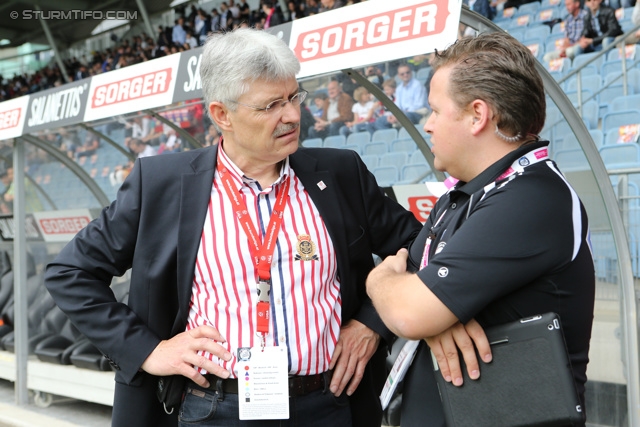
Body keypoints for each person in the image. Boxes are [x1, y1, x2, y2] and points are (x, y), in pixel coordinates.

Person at [45, 27, 421, 427]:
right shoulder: (160, 184)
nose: (293, 115)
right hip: (213, 408)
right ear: (222, 114)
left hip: (327, 404)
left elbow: (420, 246)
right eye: (271, 105)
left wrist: (372, 323)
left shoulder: (341, 173)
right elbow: (70, 272)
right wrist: (149, 350)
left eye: (294, 97)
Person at [366, 32, 595, 426]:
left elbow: (408, 309)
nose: (428, 124)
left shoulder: (533, 198)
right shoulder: (464, 194)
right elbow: (415, 302)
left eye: (436, 111)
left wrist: (379, 280)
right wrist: (428, 312)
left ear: (478, 115)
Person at [371, 64, 427, 131]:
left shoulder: (417, 85)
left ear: (411, 72)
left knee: (407, 116)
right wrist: (393, 115)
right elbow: (397, 105)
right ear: (399, 75)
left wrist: (402, 114)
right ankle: (393, 138)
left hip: (418, 113)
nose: (405, 75)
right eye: (402, 74)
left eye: (407, 72)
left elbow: (419, 105)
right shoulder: (399, 89)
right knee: (380, 121)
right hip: (403, 114)